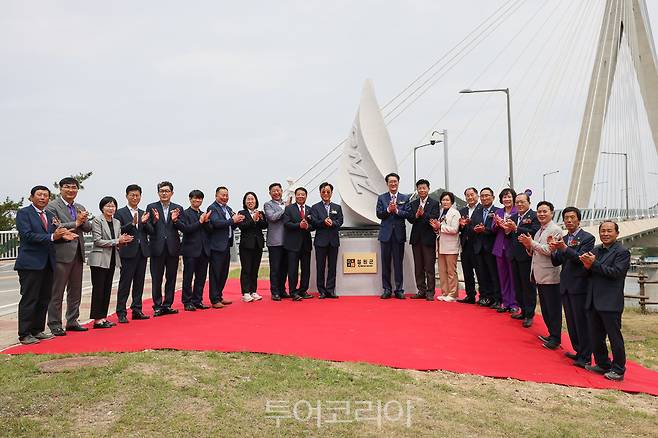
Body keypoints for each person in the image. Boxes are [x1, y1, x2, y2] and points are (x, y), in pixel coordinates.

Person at [15, 186, 77, 344]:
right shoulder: (24, 213)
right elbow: (27, 235)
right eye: (39, 195)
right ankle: (24, 333)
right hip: (30, 263)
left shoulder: (49, 214)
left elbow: (54, 235)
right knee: (30, 298)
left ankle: (37, 330)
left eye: (45, 195)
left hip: (49, 263)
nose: (43, 198)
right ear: (31, 197)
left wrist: (64, 237)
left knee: (44, 298)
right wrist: (52, 236)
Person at [580, 221, 630, 381]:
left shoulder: (622, 252)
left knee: (614, 338)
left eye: (609, 231)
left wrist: (594, 264)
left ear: (617, 233)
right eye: (602, 231)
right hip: (593, 299)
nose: (605, 234)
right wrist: (587, 266)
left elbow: (616, 273)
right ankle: (602, 364)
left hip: (610, 301)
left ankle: (619, 369)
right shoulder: (596, 250)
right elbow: (589, 273)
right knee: (595, 336)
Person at [550, 207, 595, 367]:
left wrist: (563, 248)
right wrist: (553, 250)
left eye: (572, 217)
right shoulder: (564, 238)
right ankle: (578, 351)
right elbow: (557, 262)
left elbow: (581, 259)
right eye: (566, 218)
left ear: (578, 220)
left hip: (579, 285)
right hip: (566, 285)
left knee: (582, 321)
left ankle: (586, 356)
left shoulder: (588, 238)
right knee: (571, 322)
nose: (568, 221)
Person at [46, 177, 92, 336]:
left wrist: (83, 220)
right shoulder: (52, 206)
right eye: (67, 187)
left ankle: (72, 321)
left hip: (78, 253)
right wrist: (76, 223)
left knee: (75, 291)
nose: (71, 190)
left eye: (74, 187)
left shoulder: (79, 206)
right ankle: (54, 323)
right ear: (60, 188)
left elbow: (87, 227)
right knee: (57, 291)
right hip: (61, 253)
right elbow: (55, 226)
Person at [518, 201, 563, 350]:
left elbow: (549, 250)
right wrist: (527, 246)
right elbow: (535, 250)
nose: (541, 214)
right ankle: (551, 334)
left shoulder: (555, 230)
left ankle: (556, 338)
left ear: (552, 213)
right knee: (545, 308)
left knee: (553, 308)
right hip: (539, 274)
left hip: (550, 275)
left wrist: (531, 243)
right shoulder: (539, 231)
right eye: (539, 212)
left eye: (545, 211)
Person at [88, 197, 133, 328]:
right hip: (99, 259)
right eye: (108, 206)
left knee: (107, 289)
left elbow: (117, 241)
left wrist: (124, 241)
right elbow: (97, 241)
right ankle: (96, 320)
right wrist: (117, 241)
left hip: (112, 258)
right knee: (99, 289)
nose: (111, 208)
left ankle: (103, 317)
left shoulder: (117, 222)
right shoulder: (97, 220)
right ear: (102, 207)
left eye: (113, 206)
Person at [115, 184, 153, 323]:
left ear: (140, 197)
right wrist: (133, 223)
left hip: (142, 251)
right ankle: (121, 312)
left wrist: (145, 222)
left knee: (139, 282)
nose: (135, 197)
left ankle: (137, 309)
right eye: (132, 195)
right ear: (127, 196)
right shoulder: (120, 213)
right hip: (127, 251)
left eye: (137, 195)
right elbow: (118, 230)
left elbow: (150, 231)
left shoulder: (143, 212)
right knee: (125, 283)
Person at [147, 181, 185, 316]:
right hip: (157, 248)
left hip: (172, 248)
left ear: (172, 193)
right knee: (157, 278)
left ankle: (168, 304)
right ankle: (157, 306)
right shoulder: (151, 207)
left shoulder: (178, 208)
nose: (164, 193)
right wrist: (155, 220)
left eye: (167, 191)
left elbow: (183, 228)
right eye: (161, 191)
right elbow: (149, 229)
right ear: (158, 193)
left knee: (171, 277)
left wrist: (175, 220)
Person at [507, 192, 540, 328]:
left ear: (529, 203)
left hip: (527, 256)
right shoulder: (513, 217)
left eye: (522, 202)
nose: (519, 204)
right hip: (514, 255)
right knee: (518, 285)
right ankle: (523, 310)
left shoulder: (534, 216)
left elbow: (535, 232)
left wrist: (517, 228)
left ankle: (530, 314)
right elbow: (510, 235)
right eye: (517, 202)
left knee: (528, 286)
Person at [207, 186, 244, 308]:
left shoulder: (228, 208)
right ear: (216, 196)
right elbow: (216, 223)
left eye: (227, 195)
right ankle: (214, 299)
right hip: (216, 245)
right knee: (215, 273)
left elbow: (230, 226)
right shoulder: (212, 208)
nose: (225, 197)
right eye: (222, 195)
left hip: (227, 244)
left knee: (223, 272)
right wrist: (232, 221)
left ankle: (219, 295)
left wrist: (237, 221)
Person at [376, 173, 410, 299]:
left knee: (398, 263)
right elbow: (379, 214)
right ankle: (387, 289)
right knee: (385, 263)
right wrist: (388, 210)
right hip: (385, 235)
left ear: (398, 183)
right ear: (387, 184)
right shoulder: (382, 198)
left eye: (395, 181)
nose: (393, 184)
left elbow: (407, 213)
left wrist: (396, 211)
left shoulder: (404, 198)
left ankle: (399, 289)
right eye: (391, 182)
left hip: (398, 235)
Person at [179, 190, 212, 311]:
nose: (197, 200)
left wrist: (207, 221)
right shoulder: (185, 213)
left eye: (199, 199)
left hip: (204, 250)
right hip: (190, 250)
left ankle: (197, 300)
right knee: (188, 277)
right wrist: (200, 222)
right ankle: (187, 301)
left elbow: (210, 231)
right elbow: (186, 229)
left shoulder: (204, 213)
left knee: (201, 277)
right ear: (190, 199)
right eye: (195, 198)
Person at [309, 182, 343, 299]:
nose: (326, 194)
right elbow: (314, 222)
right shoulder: (315, 207)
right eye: (323, 192)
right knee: (320, 267)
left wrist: (332, 223)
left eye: (328, 192)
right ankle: (321, 290)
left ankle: (330, 290)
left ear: (332, 193)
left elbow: (340, 222)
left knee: (332, 267)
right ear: (320, 193)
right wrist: (323, 222)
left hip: (333, 241)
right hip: (320, 241)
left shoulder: (337, 207)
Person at [407, 179, 439, 301]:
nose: (421, 190)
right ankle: (421, 290)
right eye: (419, 188)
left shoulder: (434, 203)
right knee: (418, 266)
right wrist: (416, 215)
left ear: (428, 189)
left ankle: (430, 292)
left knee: (429, 267)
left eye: (424, 188)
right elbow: (410, 218)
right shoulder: (413, 203)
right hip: (416, 239)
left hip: (428, 239)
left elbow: (434, 217)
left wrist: (422, 214)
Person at [283, 187, 314, 301]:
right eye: (299, 194)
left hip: (306, 244)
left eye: (303, 194)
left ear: (306, 196)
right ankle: (293, 292)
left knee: (306, 269)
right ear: (295, 196)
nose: (301, 196)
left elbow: (313, 225)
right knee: (293, 269)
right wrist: (298, 225)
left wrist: (307, 227)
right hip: (292, 244)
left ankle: (303, 290)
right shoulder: (289, 209)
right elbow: (286, 224)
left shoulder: (310, 210)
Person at [471, 187, 501, 307]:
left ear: (493, 197)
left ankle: (497, 298)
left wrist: (485, 230)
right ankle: (485, 297)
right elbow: (472, 226)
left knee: (494, 274)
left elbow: (497, 229)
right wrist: (474, 229)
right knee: (481, 274)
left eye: (487, 195)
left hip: (492, 247)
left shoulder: (498, 211)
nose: (484, 198)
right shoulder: (477, 211)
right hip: (478, 247)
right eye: (482, 196)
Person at [237, 192, 268, 302]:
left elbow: (265, 225)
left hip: (258, 244)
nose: (250, 201)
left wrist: (259, 219)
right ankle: (245, 292)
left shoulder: (260, 212)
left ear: (256, 201)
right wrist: (252, 220)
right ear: (245, 202)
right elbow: (241, 226)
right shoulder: (241, 213)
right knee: (246, 269)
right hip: (246, 245)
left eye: (252, 199)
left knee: (255, 269)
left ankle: (253, 291)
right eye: (248, 199)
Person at [491, 188, 518, 312]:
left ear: (514, 198)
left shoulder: (517, 211)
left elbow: (518, 229)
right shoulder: (498, 211)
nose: (507, 199)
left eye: (509, 197)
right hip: (499, 247)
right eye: (504, 197)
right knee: (503, 276)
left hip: (512, 246)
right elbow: (493, 229)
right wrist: (497, 224)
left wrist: (509, 226)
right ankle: (505, 302)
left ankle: (514, 303)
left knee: (513, 276)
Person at [431, 191, 461, 302]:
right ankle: (444, 292)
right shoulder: (441, 212)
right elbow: (439, 229)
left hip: (451, 246)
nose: (445, 202)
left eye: (447, 200)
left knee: (451, 271)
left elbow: (454, 229)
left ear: (452, 201)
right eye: (443, 200)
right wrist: (436, 228)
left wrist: (440, 226)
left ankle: (453, 294)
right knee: (442, 270)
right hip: (441, 245)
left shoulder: (455, 213)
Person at [264, 183, 290, 301]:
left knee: (285, 268)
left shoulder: (286, 204)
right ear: (270, 193)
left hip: (288, 241)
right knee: (275, 268)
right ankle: (274, 292)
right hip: (275, 242)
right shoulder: (268, 205)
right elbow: (272, 217)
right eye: (273, 191)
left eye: (278, 190)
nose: (276, 193)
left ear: (282, 191)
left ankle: (282, 290)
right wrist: (285, 209)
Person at [457, 187, 483, 304]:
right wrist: (461, 226)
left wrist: (470, 223)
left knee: (480, 272)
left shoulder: (482, 209)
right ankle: (470, 295)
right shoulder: (462, 211)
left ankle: (483, 295)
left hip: (478, 245)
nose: (470, 197)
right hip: (465, 245)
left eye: (472, 194)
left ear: (476, 195)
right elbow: (459, 228)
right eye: (467, 195)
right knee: (467, 272)